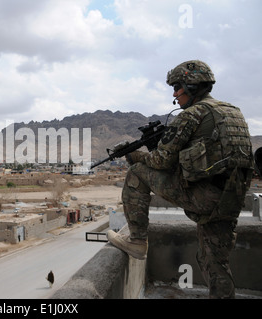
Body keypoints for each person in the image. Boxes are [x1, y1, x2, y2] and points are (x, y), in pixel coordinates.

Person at [107, 60, 254, 299]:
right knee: (215, 263)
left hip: (205, 197)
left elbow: (161, 162)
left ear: (192, 87)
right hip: (231, 199)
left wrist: (133, 155)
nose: (175, 94)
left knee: (136, 174)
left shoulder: (193, 114)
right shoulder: (232, 112)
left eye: (177, 87)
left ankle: (137, 242)